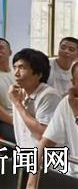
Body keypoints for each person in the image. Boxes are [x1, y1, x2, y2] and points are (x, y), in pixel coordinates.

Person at [26, 61, 78, 189]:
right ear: (73, 83)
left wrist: (76, 115)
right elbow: (44, 144)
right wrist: (31, 184)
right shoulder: (67, 103)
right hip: (72, 175)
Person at [8, 48, 61, 149]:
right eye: (15, 67)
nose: (16, 73)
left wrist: (18, 104)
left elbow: (43, 136)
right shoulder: (18, 93)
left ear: (39, 74)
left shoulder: (49, 96)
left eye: (22, 68)